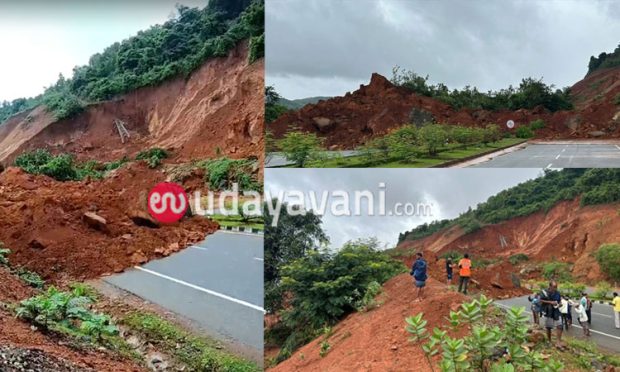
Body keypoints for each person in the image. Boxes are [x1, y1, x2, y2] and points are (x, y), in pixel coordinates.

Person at [539, 280, 563, 347]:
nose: (555, 288)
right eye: (554, 287)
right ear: (550, 286)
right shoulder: (544, 292)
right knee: (549, 327)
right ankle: (549, 340)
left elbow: (559, 300)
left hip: (556, 310)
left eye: (556, 287)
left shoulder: (557, 293)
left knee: (560, 325)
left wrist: (560, 304)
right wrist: (550, 302)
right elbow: (540, 300)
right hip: (548, 311)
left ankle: (558, 342)